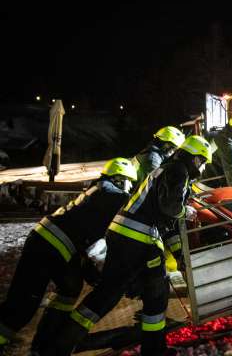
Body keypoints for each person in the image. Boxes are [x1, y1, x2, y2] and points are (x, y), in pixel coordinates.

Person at [47, 136, 212, 356]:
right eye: (202, 161)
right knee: (157, 294)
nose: (201, 166)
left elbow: (168, 225)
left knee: (107, 295)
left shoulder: (167, 169)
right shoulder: (178, 171)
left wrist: (180, 254)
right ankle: (153, 350)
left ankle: (60, 345)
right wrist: (185, 211)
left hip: (123, 234)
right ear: (195, 158)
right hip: (140, 238)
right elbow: (170, 209)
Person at [0, 158, 137, 352]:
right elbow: (123, 204)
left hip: (54, 246)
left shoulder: (99, 190)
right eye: (129, 183)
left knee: (71, 287)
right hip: (46, 246)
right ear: (120, 179)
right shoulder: (109, 192)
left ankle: (48, 336)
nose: (129, 188)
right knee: (23, 304)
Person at [132, 126, 185, 190]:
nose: (173, 151)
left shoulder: (152, 152)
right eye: (173, 147)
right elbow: (158, 183)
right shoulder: (154, 159)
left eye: (175, 149)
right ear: (163, 142)